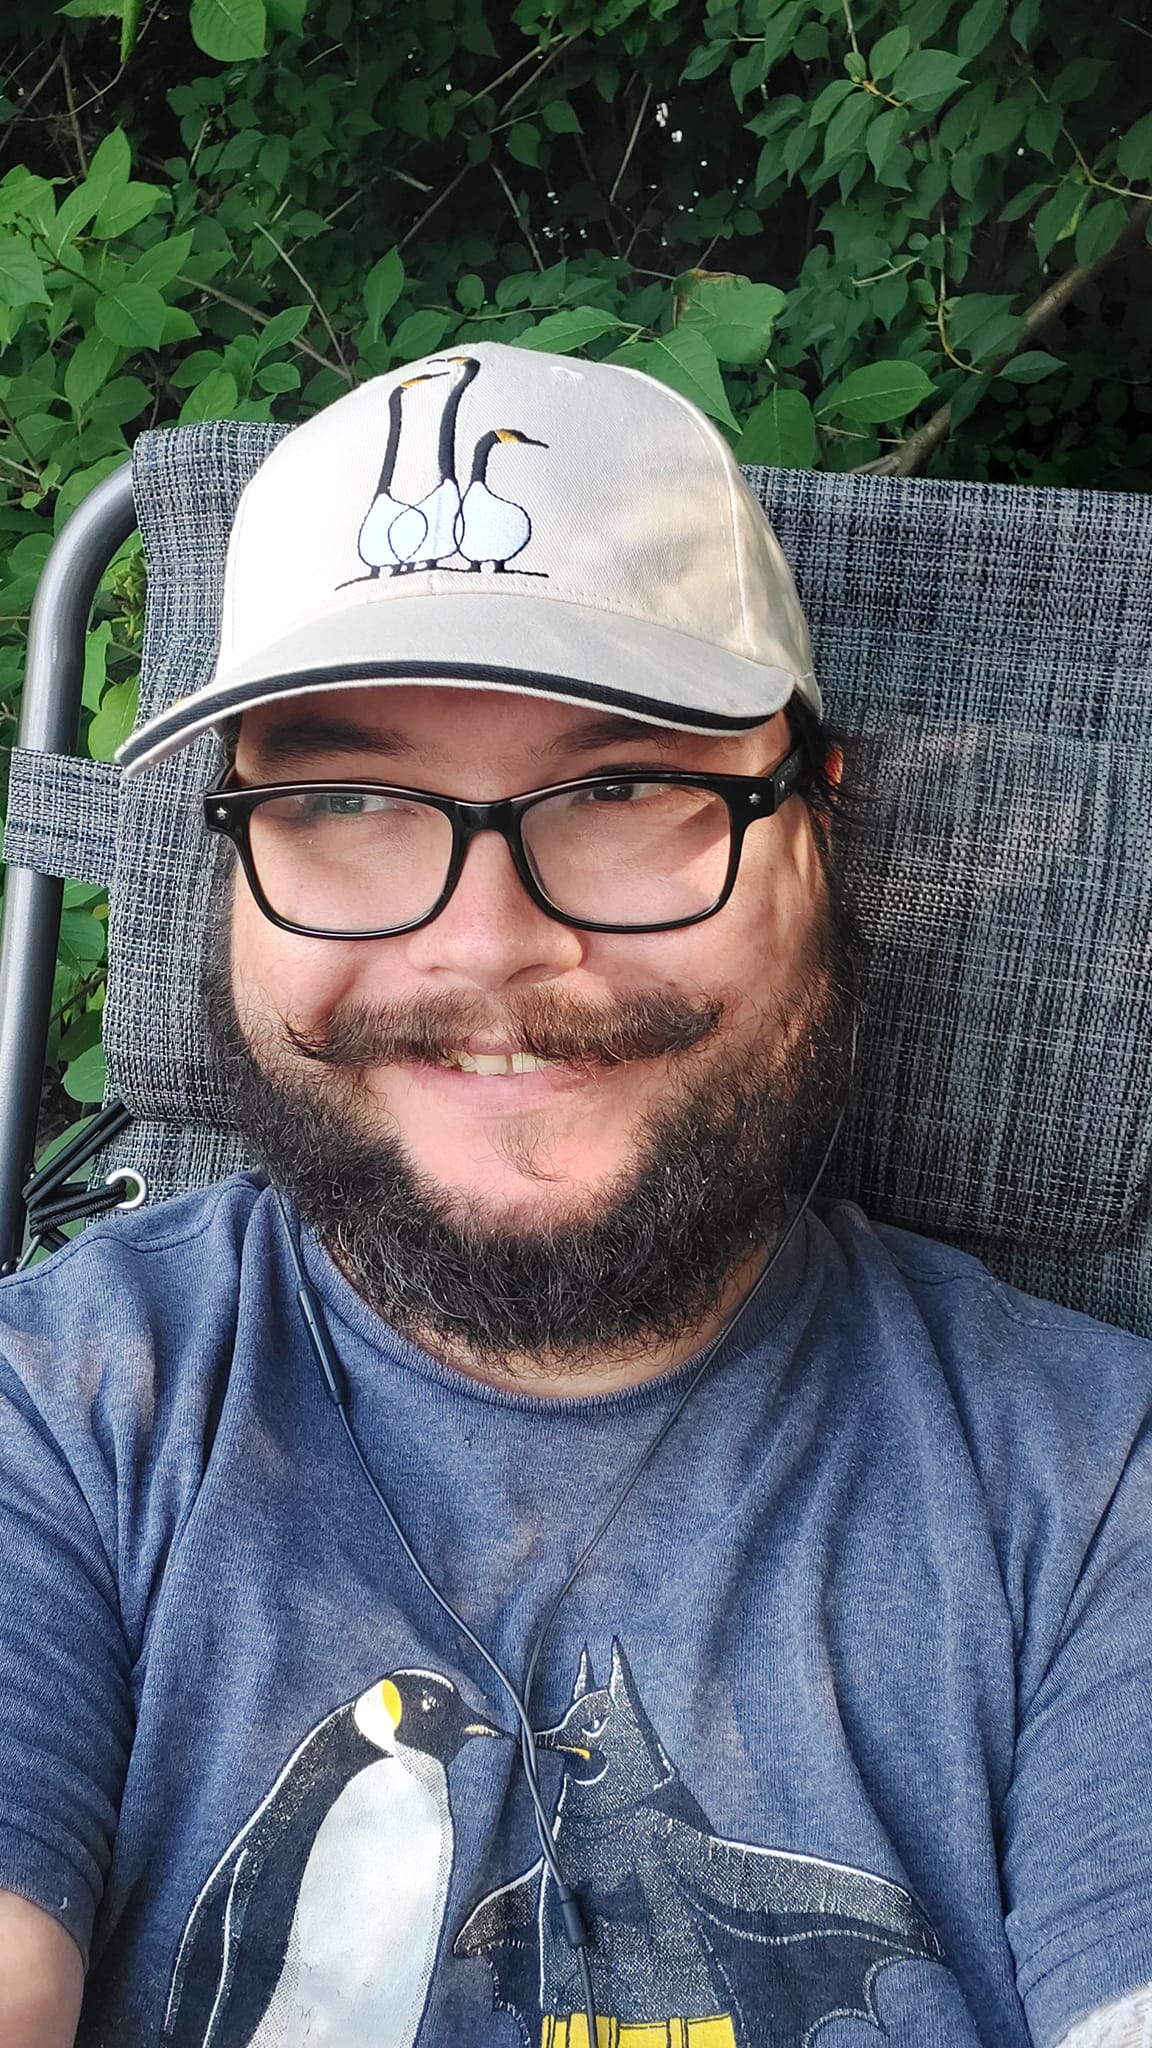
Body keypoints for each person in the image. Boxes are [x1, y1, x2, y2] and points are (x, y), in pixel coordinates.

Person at [0, 343, 1149, 2048]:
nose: (484, 947)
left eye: (622, 786)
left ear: (814, 827)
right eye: (342, 797)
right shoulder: (54, 1420)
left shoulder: (1098, 1493)